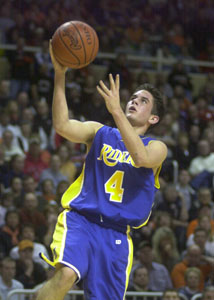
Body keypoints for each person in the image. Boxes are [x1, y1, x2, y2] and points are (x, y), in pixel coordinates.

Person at [36, 42, 167, 300]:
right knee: (65, 276)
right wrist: (60, 74)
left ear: (153, 118)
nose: (133, 102)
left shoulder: (157, 147)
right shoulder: (100, 132)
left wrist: (116, 110)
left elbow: (139, 158)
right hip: (82, 220)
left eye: (143, 101)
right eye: (133, 98)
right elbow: (62, 125)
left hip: (117, 233)